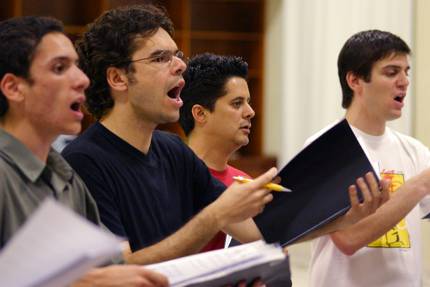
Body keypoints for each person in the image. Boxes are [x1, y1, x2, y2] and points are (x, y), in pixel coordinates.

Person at [62, 4, 387, 268]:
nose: (179, 67)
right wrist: (215, 216)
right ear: (118, 78)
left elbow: (256, 231)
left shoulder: (173, 150)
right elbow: (120, 269)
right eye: (161, 58)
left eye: (178, 56)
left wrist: (339, 217)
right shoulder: (83, 161)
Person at [0, 15, 168, 287]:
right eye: (59, 68)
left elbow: (112, 267)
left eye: (77, 66)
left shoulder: (65, 175)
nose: (82, 80)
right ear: (14, 87)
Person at [308, 30, 430, 287]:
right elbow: (349, 239)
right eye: (391, 72)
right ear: (355, 80)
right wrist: (420, 186)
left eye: (406, 71)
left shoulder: (415, 150)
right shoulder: (325, 148)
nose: (404, 81)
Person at [179, 52, 292, 285]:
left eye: (248, 102)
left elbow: (269, 251)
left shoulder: (243, 180)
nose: (250, 112)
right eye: (237, 103)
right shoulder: (173, 176)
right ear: (200, 113)